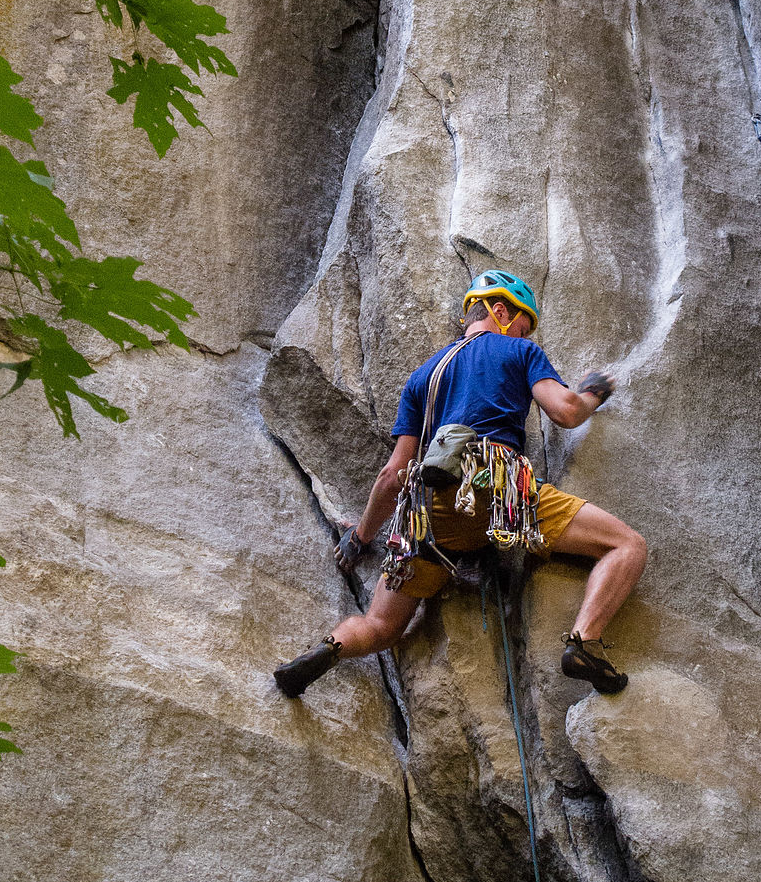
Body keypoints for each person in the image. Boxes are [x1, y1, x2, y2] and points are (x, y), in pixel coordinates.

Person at [273, 269, 648, 699]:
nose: (526, 335)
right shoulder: (519, 351)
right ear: (501, 312)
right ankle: (585, 644)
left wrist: (359, 539)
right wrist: (592, 394)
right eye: (523, 326)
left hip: (428, 517)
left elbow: (393, 474)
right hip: (494, 491)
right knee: (627, 546)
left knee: (381, 626)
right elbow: (564, 412)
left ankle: (329, 650)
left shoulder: (422, 377)